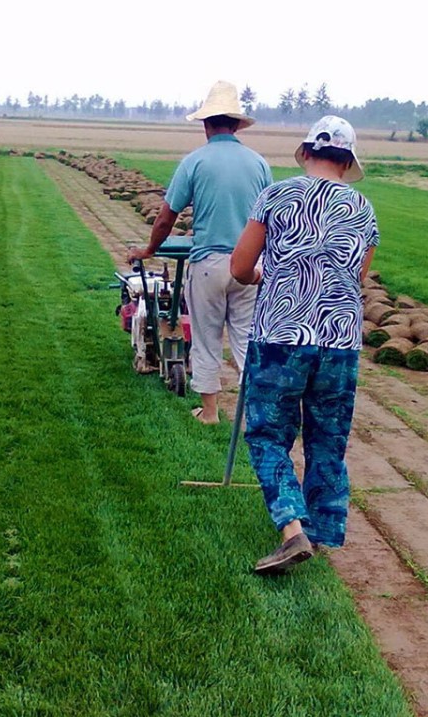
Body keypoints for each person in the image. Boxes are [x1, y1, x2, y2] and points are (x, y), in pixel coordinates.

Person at [231, 115, 379, 574]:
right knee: (327, 438)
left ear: (307, 153)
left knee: (267, 433)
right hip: (340, 341)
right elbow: (358, 278)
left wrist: (264, 276)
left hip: (281, 336)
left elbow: (240, 267)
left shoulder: (275, 195)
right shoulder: (364, 209)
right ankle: (323, 532)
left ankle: (292, 531)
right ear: (347, 160)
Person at [128, 81, 272, 424]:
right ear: (236, 124)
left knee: (206, 340)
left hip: (208, 263)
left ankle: (209, 413)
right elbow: (271, 219)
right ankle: (254, 415)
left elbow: (166, 217)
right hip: (249, 267)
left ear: (206, 124)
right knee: (246, 340)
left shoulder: (194, 162)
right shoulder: (259, 164)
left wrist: (149, 249)